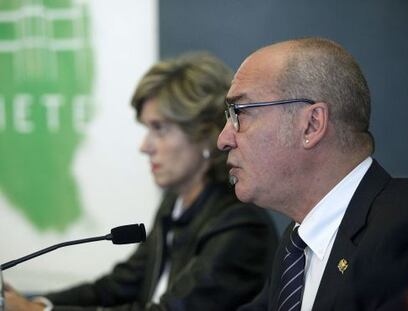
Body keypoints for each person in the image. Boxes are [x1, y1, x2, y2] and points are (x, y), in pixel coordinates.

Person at [5, 53, 279, 310]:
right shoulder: (175, 204)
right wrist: (38, 304)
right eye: (147, 129)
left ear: (205, 133)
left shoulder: (242, 228)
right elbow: (119, 285)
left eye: (159, 129)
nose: (145, 146)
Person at [216, 37, 408, 310]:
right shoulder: (297, 244)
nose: (224, 139)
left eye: (240, 113)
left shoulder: (403, 229)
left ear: (311, 124)